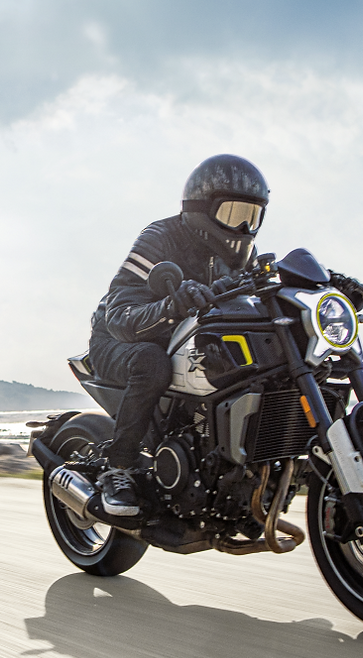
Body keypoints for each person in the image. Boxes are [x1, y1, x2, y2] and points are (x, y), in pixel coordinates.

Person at [86, 154, 268, 516]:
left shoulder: (244, 257)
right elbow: (119, 316)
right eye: (234, 213)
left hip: (183, 342)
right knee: (152, 363)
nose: (244, 227)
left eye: (253, 216)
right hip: (119, 341)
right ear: (202, 208)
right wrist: (172, 305)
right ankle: (118, 468)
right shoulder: (160, 238)